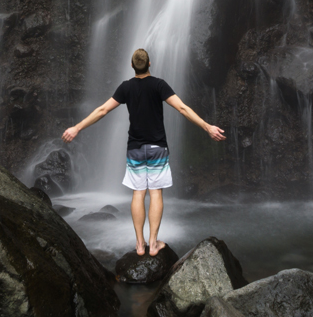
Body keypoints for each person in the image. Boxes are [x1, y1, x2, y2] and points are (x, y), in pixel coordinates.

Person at [62, 48, 226, 256]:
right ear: (150, 64)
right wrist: (207, 127)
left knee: (138, 194)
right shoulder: (159, 85)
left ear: (132, 67)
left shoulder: (126, 87)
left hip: (135, 148)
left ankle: (139, 245)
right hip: (157, 147)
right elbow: (183, 108)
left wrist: (77, 127)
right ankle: (153, 243)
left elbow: (102, 110)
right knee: (156, 193)